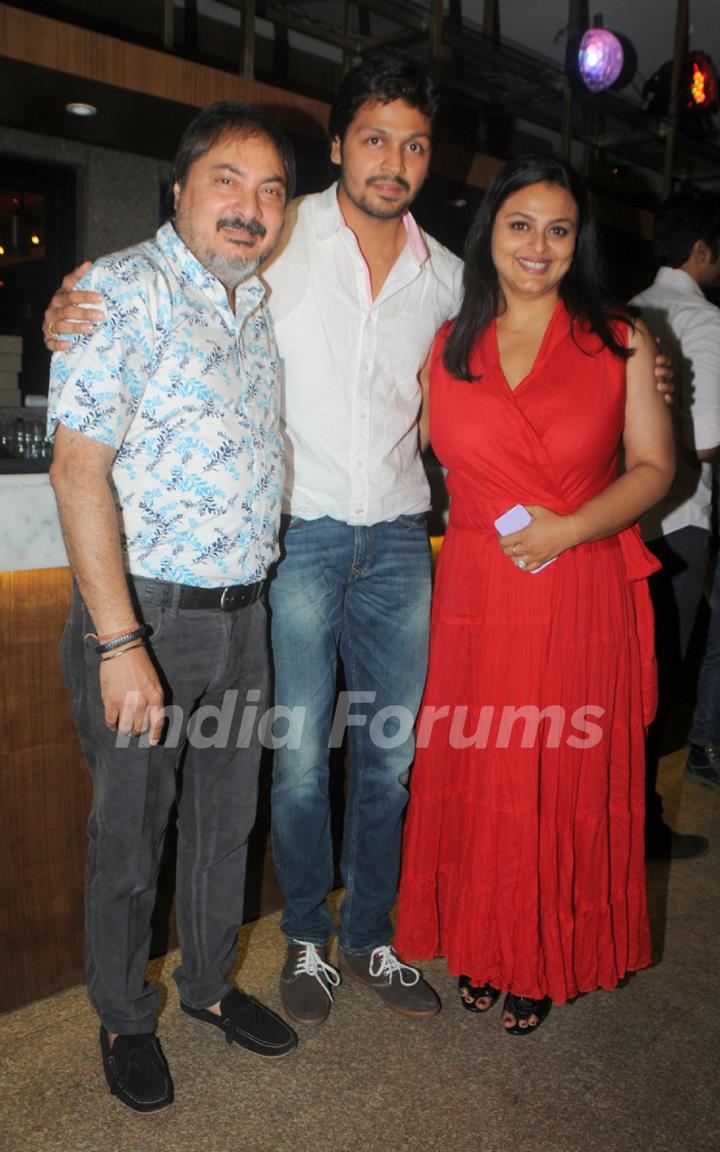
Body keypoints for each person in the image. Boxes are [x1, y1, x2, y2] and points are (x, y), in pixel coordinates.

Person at [43, 55, 675, 1031]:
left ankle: (370, 931)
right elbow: (165, 283)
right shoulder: (274, 238)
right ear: (337, 147)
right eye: (374, 138)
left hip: (402, 544)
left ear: (432, 162)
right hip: (295, 541)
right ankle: (303, 936)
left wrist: (634, 386)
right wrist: (69, 307)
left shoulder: (455, 286)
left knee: (391, 754)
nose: (393, 160)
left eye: (415, 145)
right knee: (295, 760)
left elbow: (493, 405)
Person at [46, 102, 298, 1113]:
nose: (251, 206)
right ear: (182, 187)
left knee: (226, 824)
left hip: (246, 613)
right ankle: (121, 1010)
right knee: (131, 834)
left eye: (272, 189)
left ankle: (202, 990)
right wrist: (120, 641)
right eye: (229, 180)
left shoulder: (255, 307)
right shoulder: (119, 289)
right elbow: (76, 474)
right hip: (145, 611)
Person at [394, 154, 675, 1035]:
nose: (539, 245)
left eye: (559, 229)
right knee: (485, 770)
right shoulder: (447, 344)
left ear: (577, 241)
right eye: (521, 224)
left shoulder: (621, 340)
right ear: (490, 235)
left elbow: (656, 470)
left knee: (560, 772)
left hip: (577, 583)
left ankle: (542, 953)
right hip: (478, 586)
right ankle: (485, 939)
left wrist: (570, 528)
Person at [632, 192, 720, 827]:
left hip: (624, 517)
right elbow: (707, 436)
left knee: (629, 673)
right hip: (682, 518)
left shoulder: (626, 309)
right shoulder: (704, 319)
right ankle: (645, 817)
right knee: (658, 676)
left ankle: (627, 806)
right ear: (702, 250)